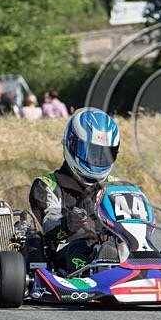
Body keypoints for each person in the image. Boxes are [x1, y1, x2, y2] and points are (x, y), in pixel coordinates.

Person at [29, 107, 121, 273]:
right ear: (72, 144)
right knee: (78, 250)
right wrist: (67, 223)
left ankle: (154, 262)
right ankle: (98, 268)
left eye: (103, 154)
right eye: (91, 152)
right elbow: (49, 225)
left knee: (121, 248)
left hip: (112, 247)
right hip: (66, 251)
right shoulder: (48, 185)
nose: (96, 160)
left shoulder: (115, 186)